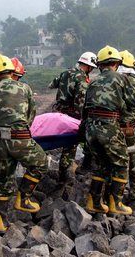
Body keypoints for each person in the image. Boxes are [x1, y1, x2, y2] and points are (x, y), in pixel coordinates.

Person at [0, 54, 48, 235]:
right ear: (11, 71)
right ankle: (24, 197)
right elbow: (31, 116)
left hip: (0, 141)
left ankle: (1, 223)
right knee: (40, 163)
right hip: (22, 139)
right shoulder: (24, 88)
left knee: (2, 179)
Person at [82, 45, 132, 215]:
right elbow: (131, 106)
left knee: (100, 164)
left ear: (100, 65)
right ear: (117, 64)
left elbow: (85, 108)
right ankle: (115, 203)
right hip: (109, 126)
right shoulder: (122, 79)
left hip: (90, 127)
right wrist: (125, 123)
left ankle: (94, 202)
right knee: (121, 162)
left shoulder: (93, 81)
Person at [48, 52, 97, 183]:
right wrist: (82, 119)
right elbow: (80, 101)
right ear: (88, 66)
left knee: (56, 140)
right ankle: (64, 175)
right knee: (70, 145)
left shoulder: (65, 72)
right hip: (72, 115)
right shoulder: (82, 79)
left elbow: (51, 85)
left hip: (58, 112)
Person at [118, 50, 135, 200]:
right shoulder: (134, 83)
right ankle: (133, 191)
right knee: (134, 157)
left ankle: (112, 193)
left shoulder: (109, 81)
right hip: (128, 128)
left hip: (110, 127)